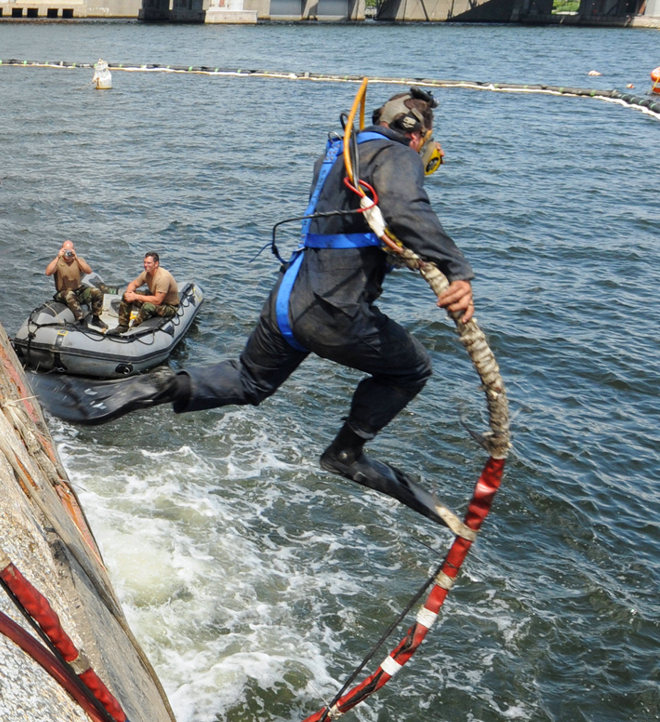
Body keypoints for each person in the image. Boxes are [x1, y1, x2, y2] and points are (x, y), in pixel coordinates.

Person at [92, 90, 473, 524]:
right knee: (411, 368)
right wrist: (456, 270)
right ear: (416, 134)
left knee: (249, 380)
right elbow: (406, 207)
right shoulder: (398, 155)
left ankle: (147, 388)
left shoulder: (337, 155)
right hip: (332, 309)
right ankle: (346, 452)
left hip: (289, 296)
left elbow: (360, 221)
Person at [116, 251, 178, 333]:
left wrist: (136, 297)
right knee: (125, 296)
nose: (145, 265)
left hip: (168, 306)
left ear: (156, 264)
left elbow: (157, 300)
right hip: (154, 298)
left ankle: (134, 328)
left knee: (147, 306)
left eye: (148, 263)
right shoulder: (146, 273)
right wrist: (129, 294)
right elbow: (133, 284)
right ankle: (123, 325)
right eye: (144, 262)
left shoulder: (163, 278)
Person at [45, 239, 101, 322]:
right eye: (65, 251)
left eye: (69, 251)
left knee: (97, 292)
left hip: (78, 291)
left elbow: (88, 271)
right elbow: (48, 272)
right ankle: (80, 319)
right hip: (63, 293)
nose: (68, 254)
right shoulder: (57, 262)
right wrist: (58, 257)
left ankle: (96, 318)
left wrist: (76, 258)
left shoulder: (78, 261)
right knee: (69, 294)